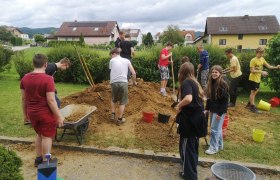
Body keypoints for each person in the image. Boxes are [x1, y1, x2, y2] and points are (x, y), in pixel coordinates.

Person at [20, 54, 64, 167]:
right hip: (45, 114)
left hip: (32, 113)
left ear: (33, 64)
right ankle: (46, 161)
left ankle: (38, 159)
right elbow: (51, 100)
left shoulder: (25, 78)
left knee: (39, 134)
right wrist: (59, 116)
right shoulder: (48, 79)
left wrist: (25, 115)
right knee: (47, 137)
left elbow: (23, 99)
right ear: (45, 64)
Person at [176, 62, 205, 180]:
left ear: (182, 72)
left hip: (190, 121)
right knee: (192, 147)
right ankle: (191, 171)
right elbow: (202, 98)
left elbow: (188, 98)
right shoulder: (195, 82)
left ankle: (189, 176)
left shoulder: (187, 82)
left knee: (187, 148)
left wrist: (179, 105)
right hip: (197, 119)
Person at [246, 47, 280, 113]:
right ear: (257, 52)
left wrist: (277, 67)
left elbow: (269, 66)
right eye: (260, 53)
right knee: (253, 92)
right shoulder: (253, 60)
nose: (262, 55)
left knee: (255, 91)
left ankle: (250, 103)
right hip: (253, 78)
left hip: (258, 78)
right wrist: (262, 72)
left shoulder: (262, 59)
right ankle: (252, 107)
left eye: (262, 53)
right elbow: (252, 70)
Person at [204, 65, 229, 155]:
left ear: (220, 73)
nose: (214, 74)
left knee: (214, 129)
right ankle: (219, 145)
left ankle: (213, 148)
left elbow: (225, 101)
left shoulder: (222, 84)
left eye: (216, 72)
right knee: (217, 128)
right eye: (213, 72)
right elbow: (209, 98)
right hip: (212, 110)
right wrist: (207, 108)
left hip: (219, 111)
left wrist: (220, 113)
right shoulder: (211, 83)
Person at [109, 48, 137, 125]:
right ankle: (119, 119)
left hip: (114, 83)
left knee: (113, 99)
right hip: (124, 82)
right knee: (122, 102)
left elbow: (112, 70)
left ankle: (113, 114)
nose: (111, 57)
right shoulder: (127, 60)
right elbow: (133, 73)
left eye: (111, 55)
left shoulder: (112, 61)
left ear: (114, 54)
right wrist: (133, 81)